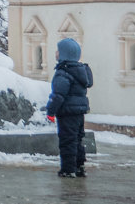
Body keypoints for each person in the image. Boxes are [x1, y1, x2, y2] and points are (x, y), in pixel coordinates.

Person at [46, 37, 93, 178]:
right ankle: (79, 167)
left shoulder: (63, 72)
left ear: (64, 54)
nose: (56, 53)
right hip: (79, 112)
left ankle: (68, 169)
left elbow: (58, 95)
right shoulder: (81, 71)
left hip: (67, 113)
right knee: (77, 140)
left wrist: (51, 111)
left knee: (67, 141)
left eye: (58, 51)